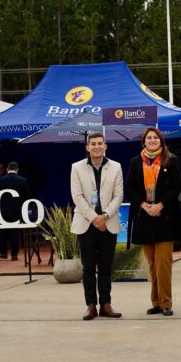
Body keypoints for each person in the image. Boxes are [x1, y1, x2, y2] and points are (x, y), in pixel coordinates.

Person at [126, 127, 181, 317]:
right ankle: (156, 302)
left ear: (161, 141)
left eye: (155, 138)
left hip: (164, 218)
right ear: (144, 141)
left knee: (163, 264)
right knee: (151, 264)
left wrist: (160, 205)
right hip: (145, 218)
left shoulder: (171, 161)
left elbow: (176, 187)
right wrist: (143, 205)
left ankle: (166, 303)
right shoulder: (135, 162)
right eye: (149, 138)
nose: (152, 140)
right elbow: (130, 189)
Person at [70, 131, 124, 320]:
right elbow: (77, 197)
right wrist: (95, 218)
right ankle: (91, 305)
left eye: (100, 143)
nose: (96, 146)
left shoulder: (116, 167)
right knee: (88, 268)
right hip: (86, 224)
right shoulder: (76, 168)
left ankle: (106, 305)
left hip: (109, 223)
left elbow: (119, 196)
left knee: (106, 267)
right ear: (87, 147)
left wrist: (105, 216)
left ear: (105, 146)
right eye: (92, 143)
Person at [0, 161, 31, 261]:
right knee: (16, 233)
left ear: (7, 169)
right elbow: (27, 197)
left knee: (2, 232)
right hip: (17, 210)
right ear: (17, 170)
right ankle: (14, 254)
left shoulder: (0, 180)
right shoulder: (23, 180)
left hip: (3, 211)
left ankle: (3, 252)